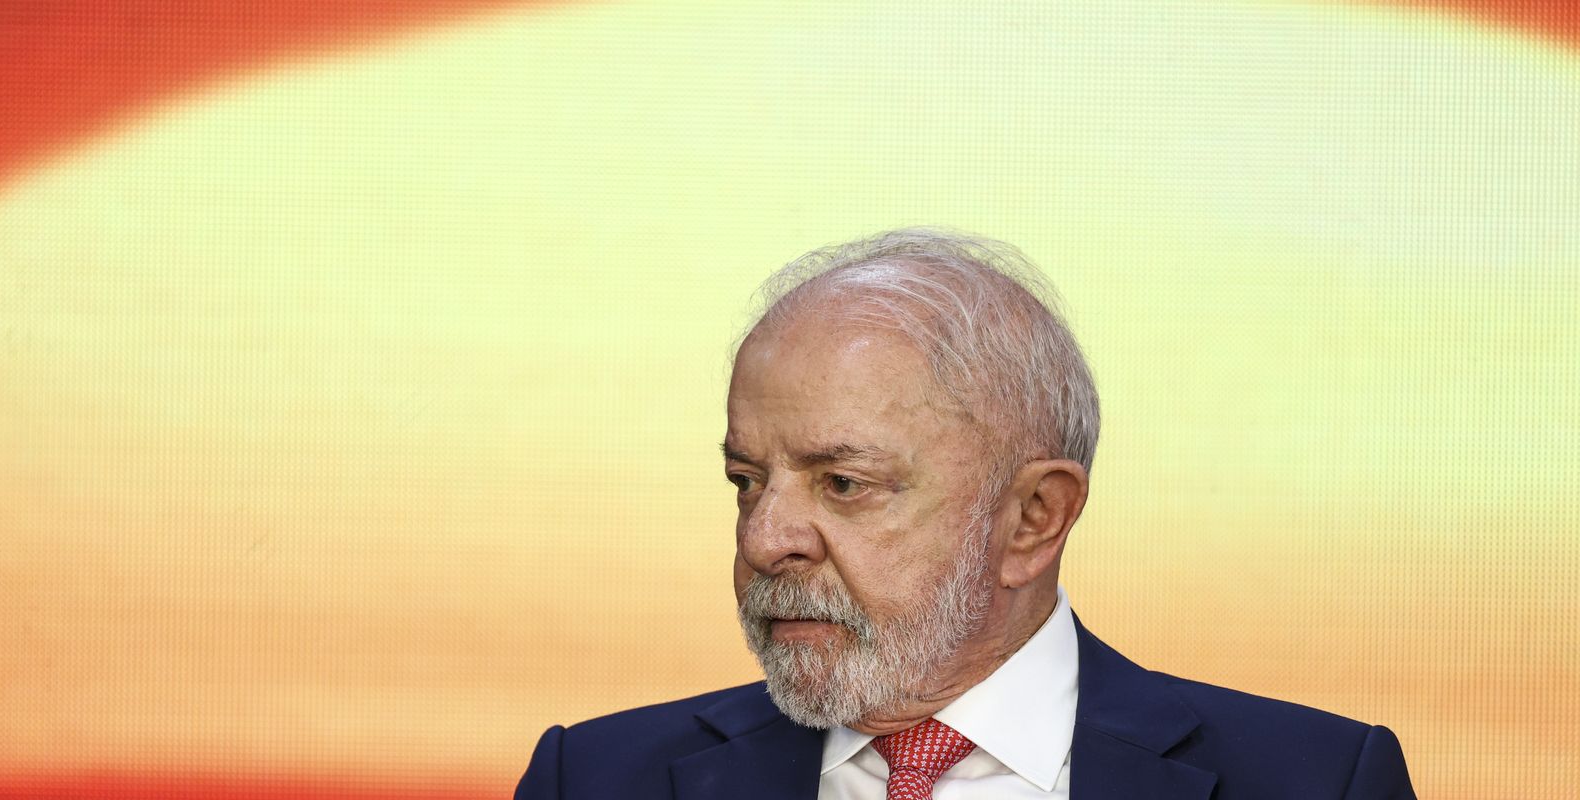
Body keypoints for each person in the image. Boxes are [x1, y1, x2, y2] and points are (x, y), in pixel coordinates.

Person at [514, 229, 1416, 799]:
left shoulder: (1317, 781)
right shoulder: (590, 779)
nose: (765, 539)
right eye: (747, 480)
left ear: (1033, 518)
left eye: (843, 484)